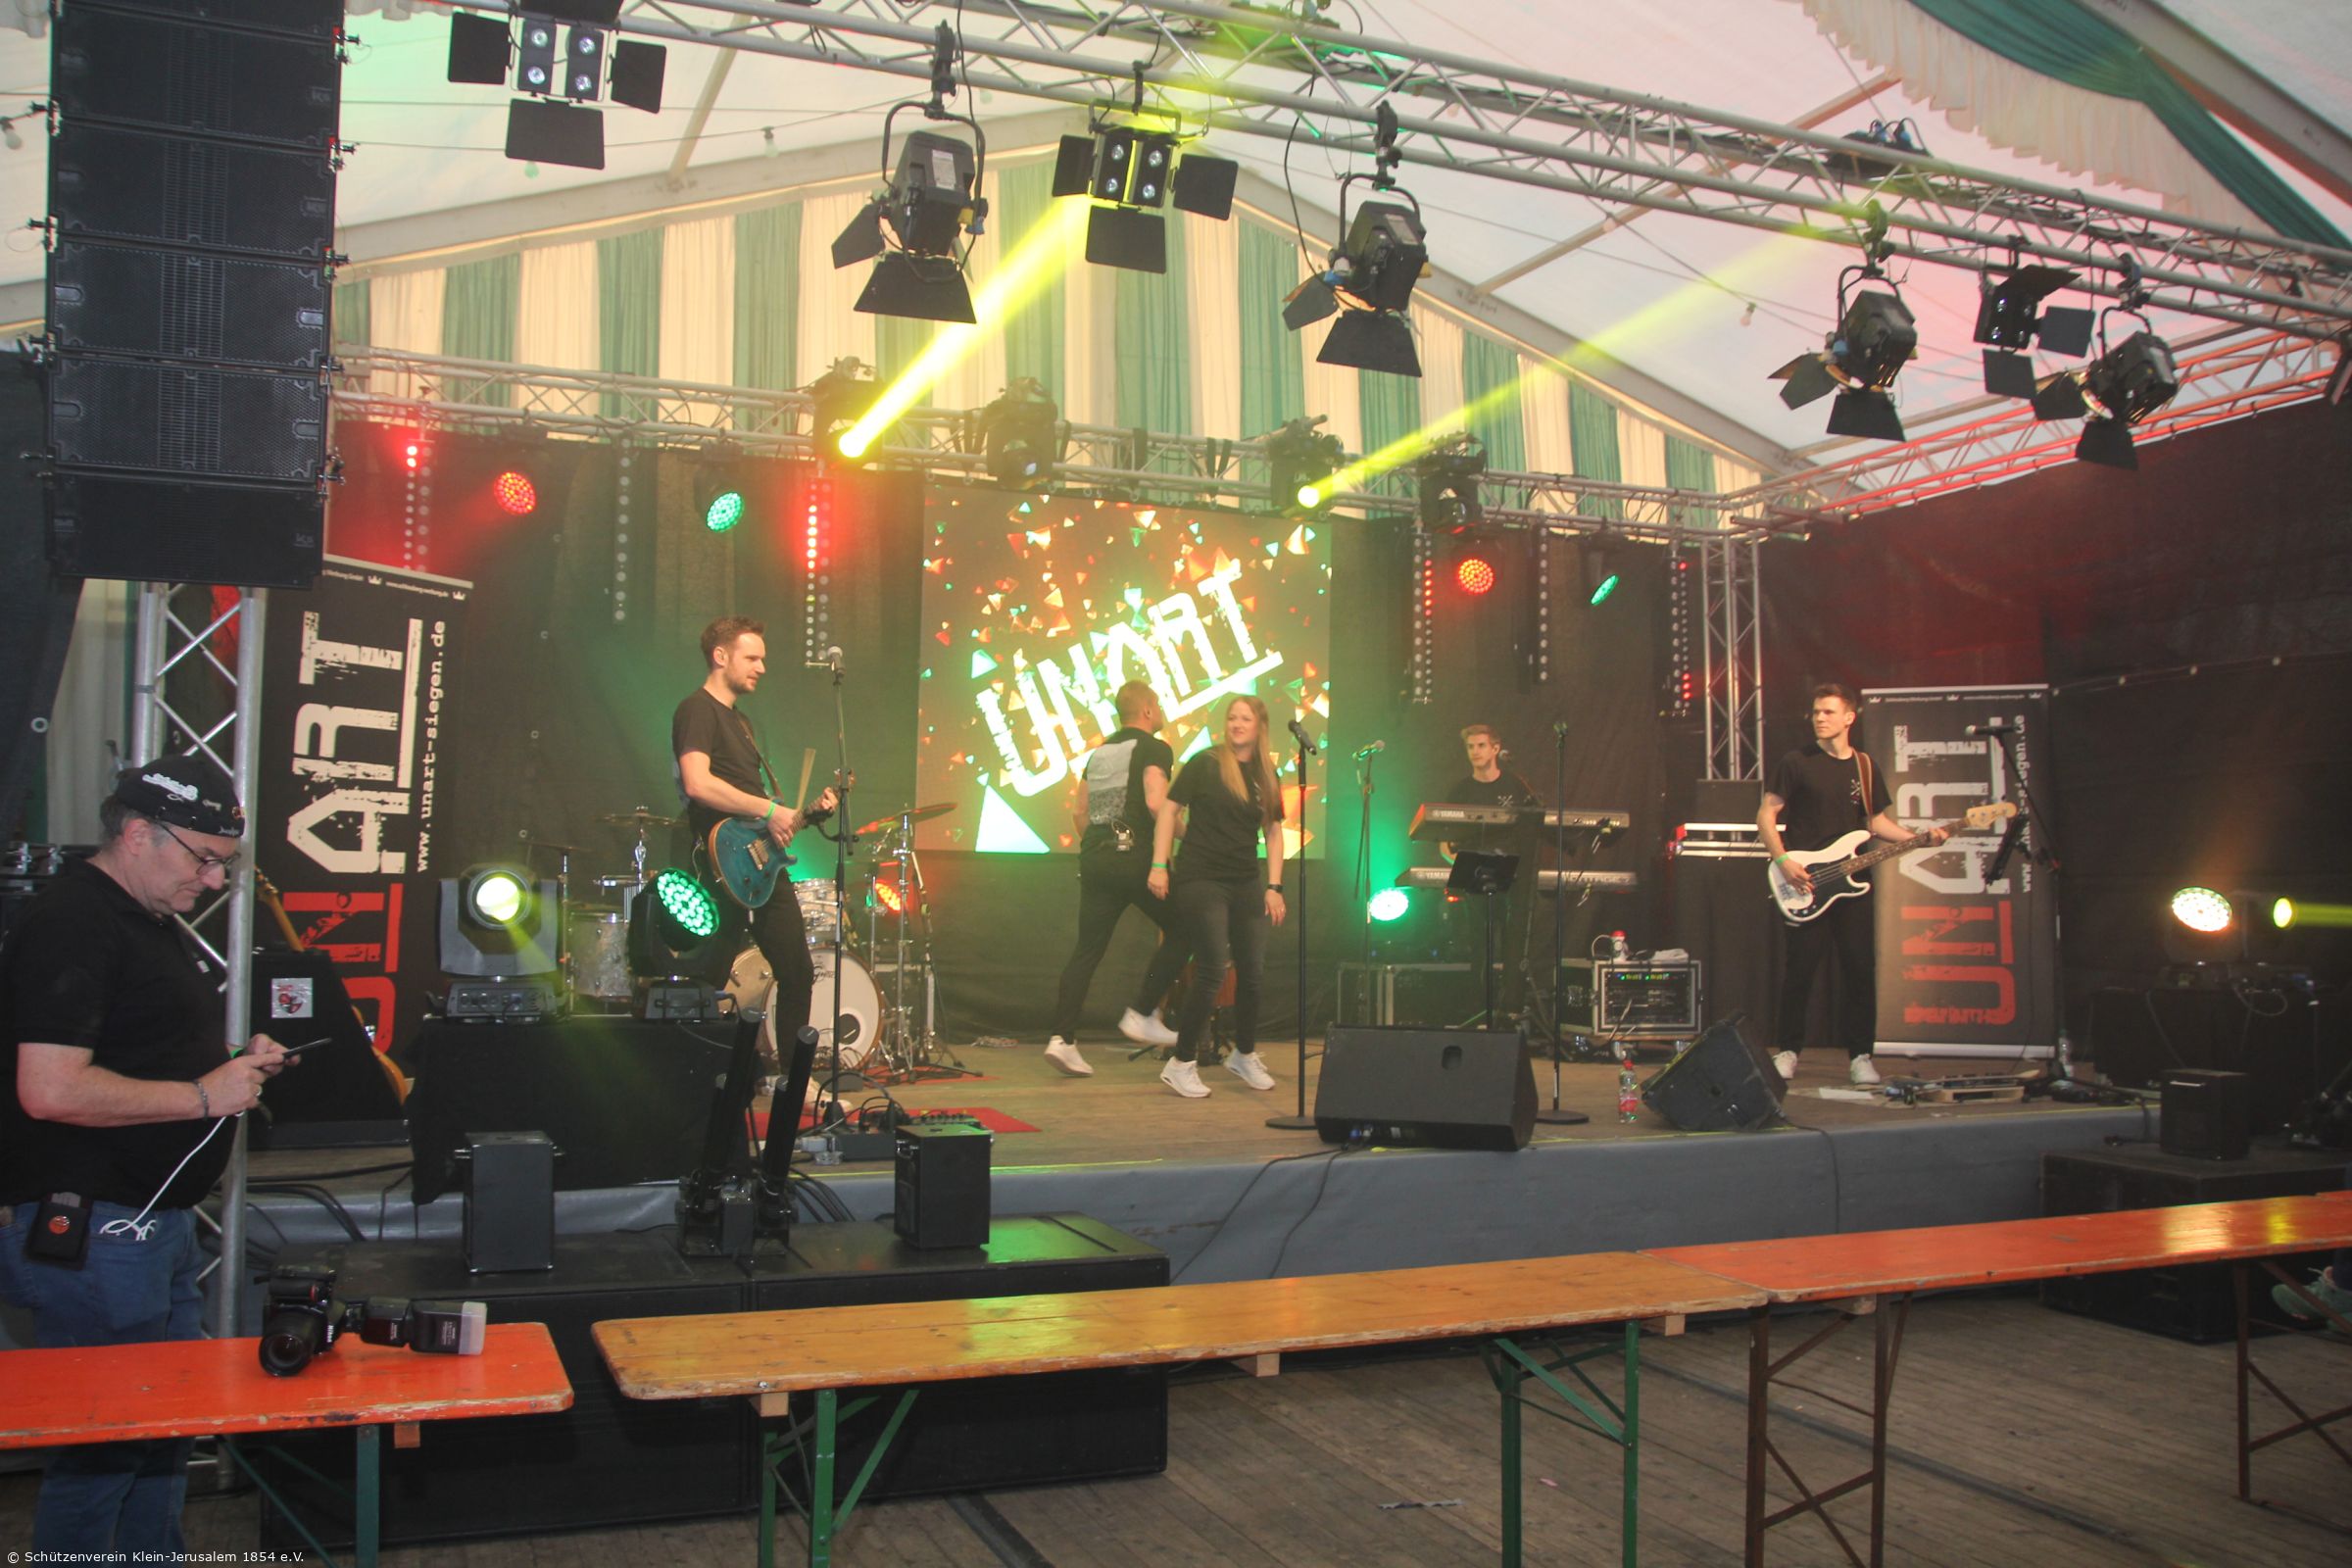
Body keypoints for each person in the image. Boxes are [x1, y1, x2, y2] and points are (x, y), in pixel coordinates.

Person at [0, 754, 291, 1557]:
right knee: (104, 1444)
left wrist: (233, 1064)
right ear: (137, 834)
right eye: (203, 859)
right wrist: (204, 1096)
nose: (212, 880)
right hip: (98, 1231)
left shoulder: (142, 921)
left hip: (147, 1227)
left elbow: (138, 1050)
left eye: (223, 865)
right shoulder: (74, 921)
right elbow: (49, 1089)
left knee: (161, 1432)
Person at [1757, 683, 1946, 1087]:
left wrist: (1919, 838)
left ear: (1849, 717)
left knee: (1860, 970)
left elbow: (1875, 823)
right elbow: (1766, 815)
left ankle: (1861, 1056)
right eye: (1815, 712)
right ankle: (1788, 1050)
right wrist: (1783, 860)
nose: (1819, 718)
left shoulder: (1864, 766)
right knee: (1800, 971)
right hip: (1807, 880)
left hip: (1854, 881)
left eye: (1827, 712)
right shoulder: (1795, 762)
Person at [673, 617, 836, 1054]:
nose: (761, 667)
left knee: (798, 971)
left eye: (762, 659)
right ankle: (697, 1070)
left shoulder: (741, 722)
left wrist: (803, 816)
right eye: (751, 658)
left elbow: (759, 809)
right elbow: (697, 783)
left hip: (759, 863)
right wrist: (769, 810)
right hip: (719, 860)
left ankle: (792, 1079)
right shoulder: (696, 709)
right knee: (709, 973)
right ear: (720, 656)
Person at [1149, 695, 1288, 1098]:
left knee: (1252, 972)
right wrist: (1159, 864)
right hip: (1202, 877)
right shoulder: (1206, 763)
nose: (1237, 724)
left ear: (1259, 726)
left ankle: (1244, 1053)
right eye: (1232, 718)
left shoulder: (1266, 773)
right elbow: (1169, 810)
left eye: (1245, 718)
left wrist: (1274, 886)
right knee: (1211, 969)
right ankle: (1181, 1062)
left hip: (1245, 880)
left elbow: (1273, 831)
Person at [1044, 681, 1185, 1076]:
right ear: (1147, 710)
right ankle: (1142, 1011)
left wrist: (1102, 848)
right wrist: (1186, 834)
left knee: (1087, 949)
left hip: (1096, 858)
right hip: (1136, 858)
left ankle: (1061, 1039)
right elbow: (1156, 803)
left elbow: (1080, 813)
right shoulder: (1155, 748)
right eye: (1158, 705)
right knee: (1185, 928)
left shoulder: (1099, 753)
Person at [1438, 723, 1544, 1025]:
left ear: (1496, 749)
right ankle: (1479, 1011)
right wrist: (1457, 860)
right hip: (1475, 869)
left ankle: (1511, 1010)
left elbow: (1533, 829)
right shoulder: (1460, 790)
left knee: (1513, 941)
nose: (1475, 752)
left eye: (1481, 745)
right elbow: (1443, 839)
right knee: (1479, 943)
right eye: (1470, 747)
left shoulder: (1516, 786)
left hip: (1512, 871)